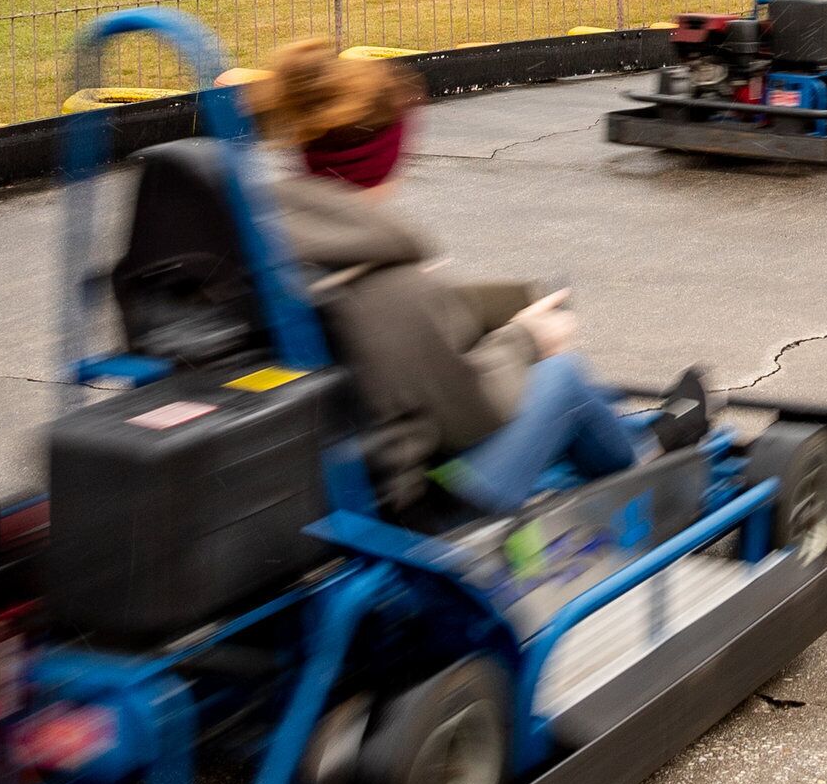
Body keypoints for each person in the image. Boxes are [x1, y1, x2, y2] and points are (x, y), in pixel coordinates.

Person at [243, 37, 653, 511]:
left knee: (534, 363)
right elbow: (468, 417)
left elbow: (398, 342)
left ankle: (633, 433)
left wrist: (482, 307)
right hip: (422, 500)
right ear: (388, 155)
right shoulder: (387, 283)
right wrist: (527, 339)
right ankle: (650, 472)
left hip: (325, 475)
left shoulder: (277, 243)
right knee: (562, 376)